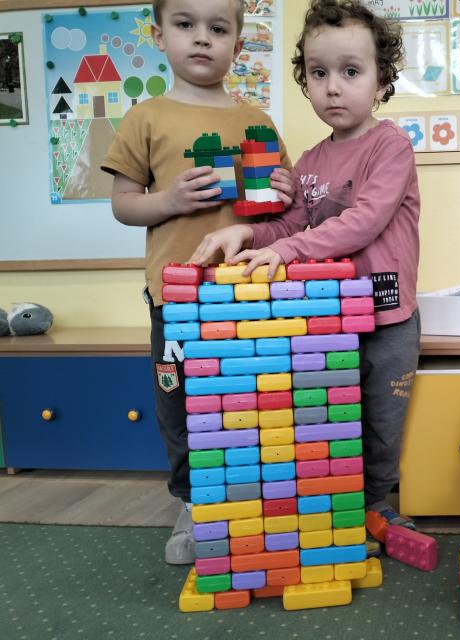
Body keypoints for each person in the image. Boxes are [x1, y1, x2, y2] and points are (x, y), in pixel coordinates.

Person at [190, 0, 421, 555]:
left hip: (388, 317)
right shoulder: (310, 162)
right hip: (326, 319)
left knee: (381, 421)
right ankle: (332, 506)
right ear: (305, 81)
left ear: (381, 81)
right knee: (328, 419)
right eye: (319, 73)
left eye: (351, 71)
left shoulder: (391, 145)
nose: (333, 87)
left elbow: (362, 222)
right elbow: (290, 225)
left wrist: (286, 245)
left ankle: (374, 503)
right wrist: (246, 234)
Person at [101, 0, 294, 565]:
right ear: (160, 36)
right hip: (177, 300)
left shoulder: (258, 120)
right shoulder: (145, 118)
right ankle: (194, 504)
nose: (202, 38)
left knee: (253, 401)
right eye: (185, 25)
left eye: (218, 28)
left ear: (239, 44)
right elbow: (123, 205)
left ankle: (256, 498)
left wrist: (285, 192)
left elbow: (280, 208)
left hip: (250, 296)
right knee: (181, 406)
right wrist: (169, 200)